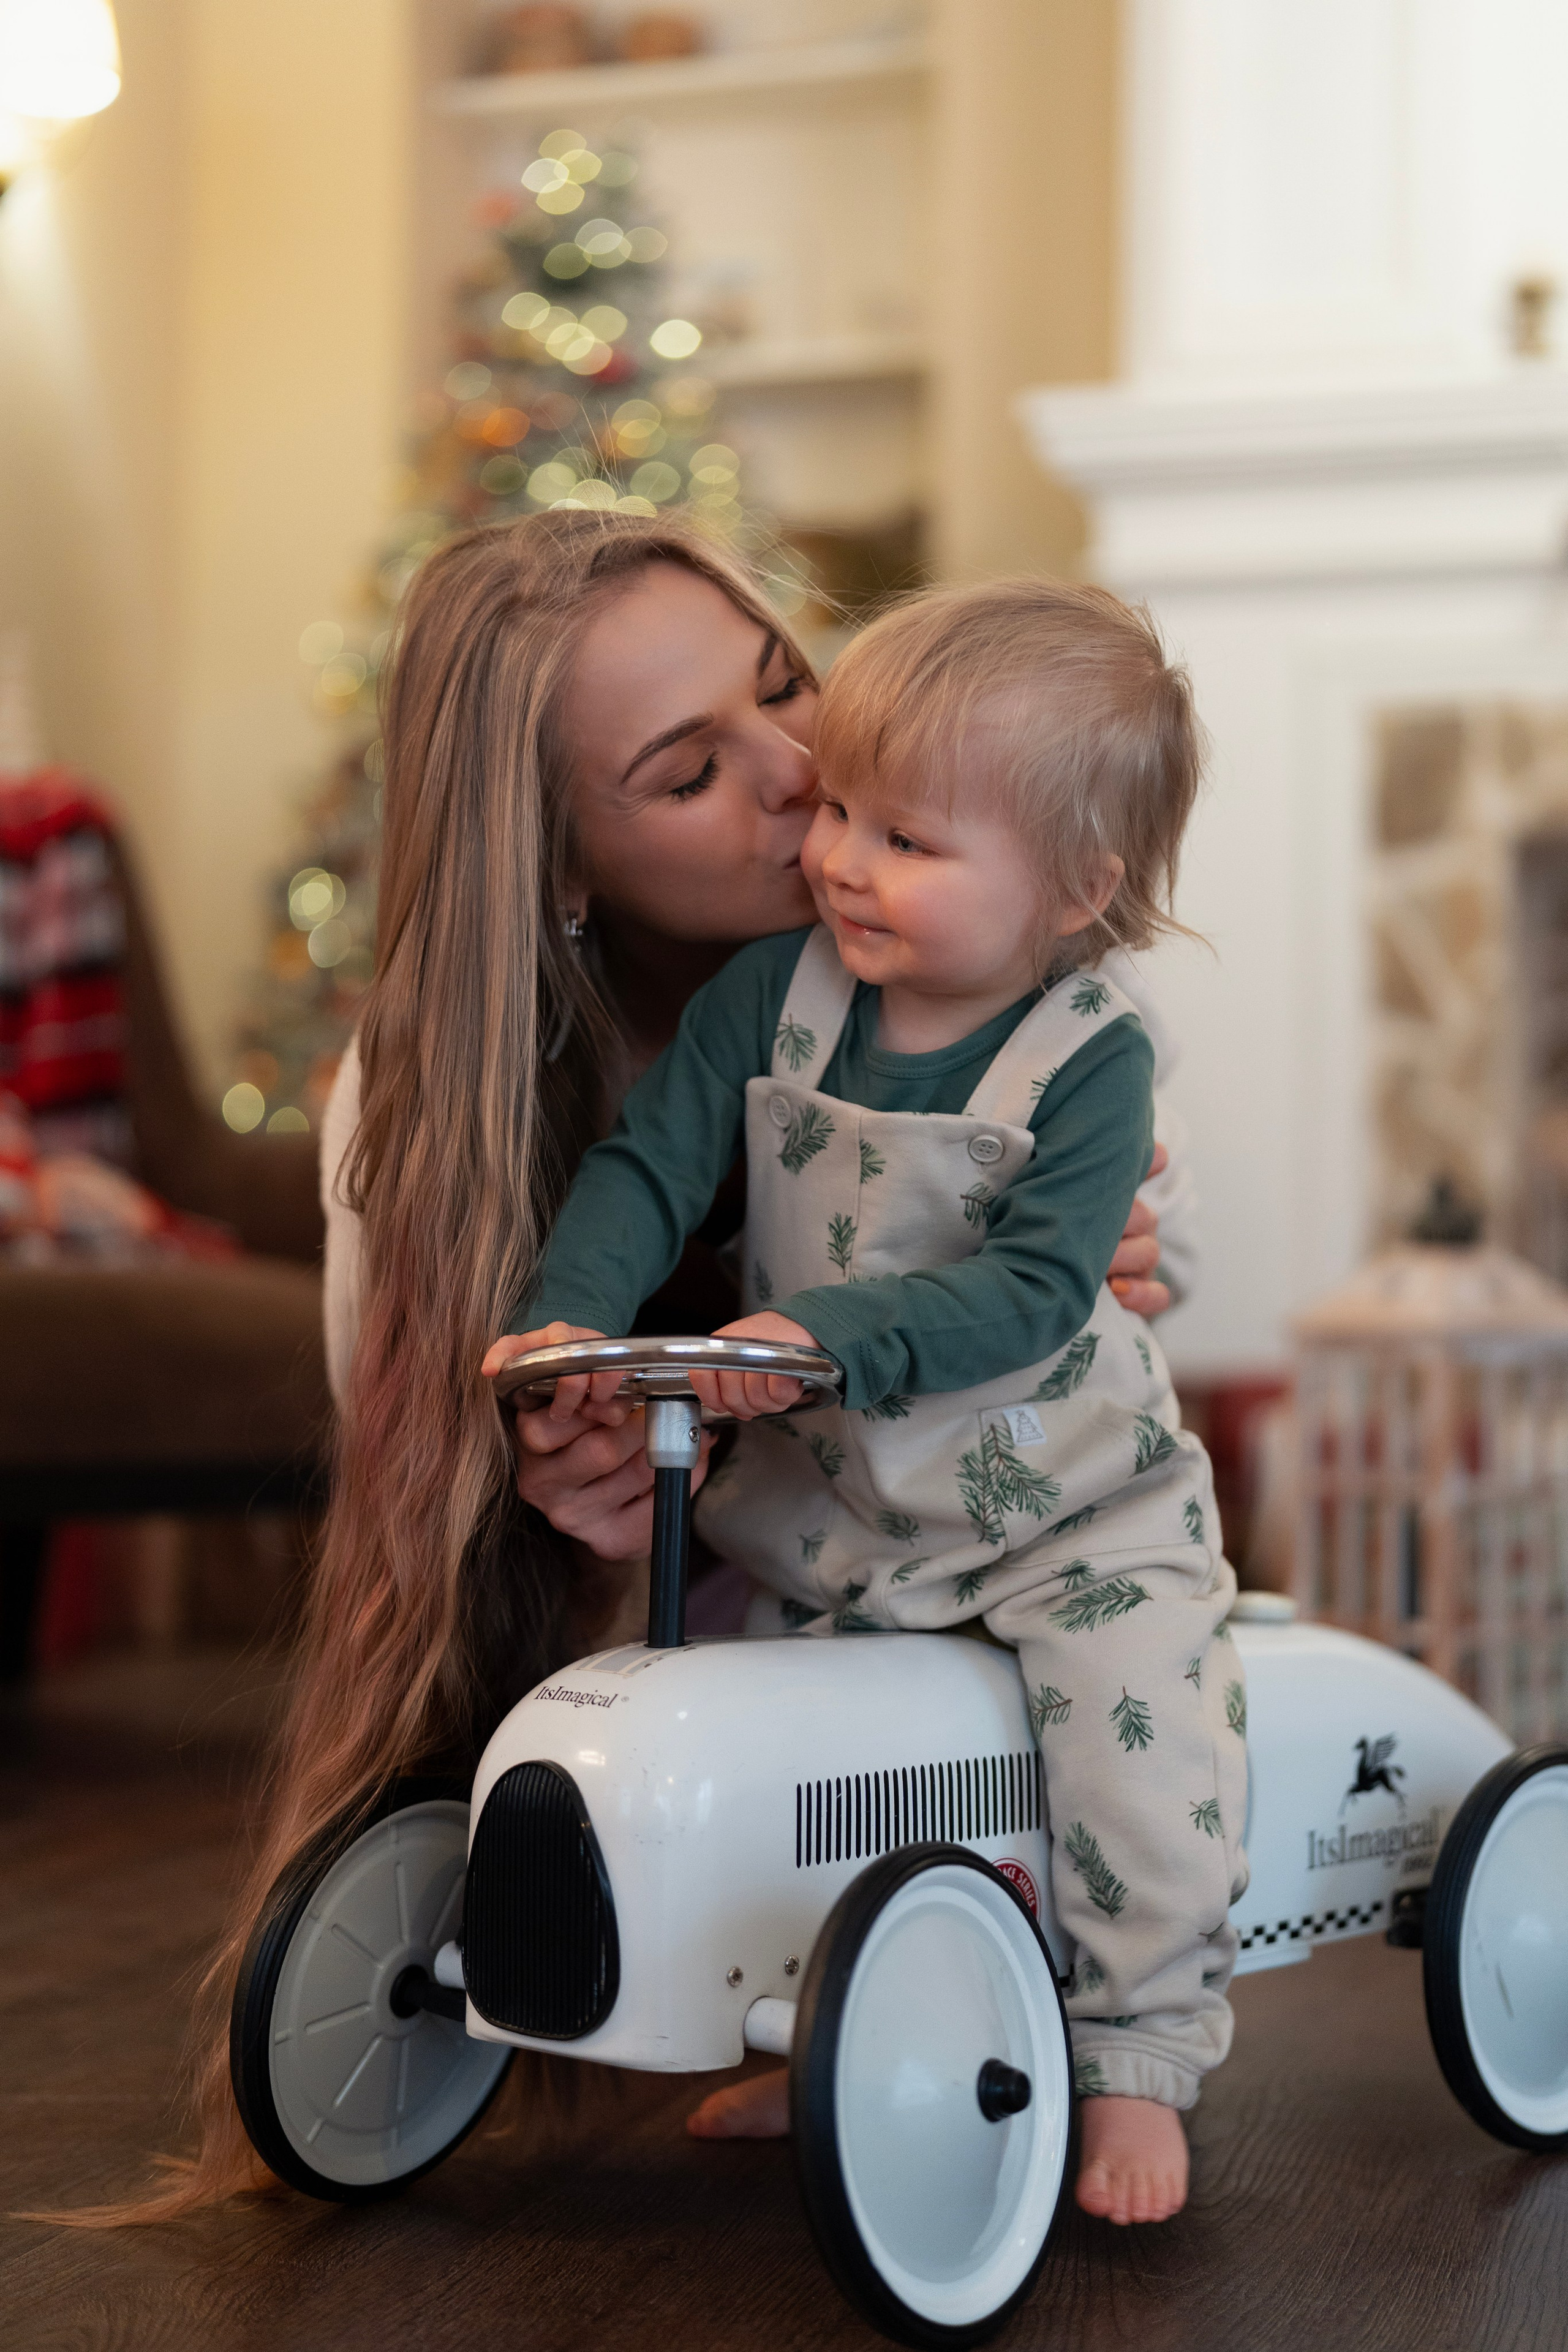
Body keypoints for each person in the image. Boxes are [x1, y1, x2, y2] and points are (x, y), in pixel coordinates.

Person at [88, 510, 1179, 2221]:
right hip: (753, 1536)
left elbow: (1060, 1286)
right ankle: (803, 1990)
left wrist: (1055, 1262)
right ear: (563, 867)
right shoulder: (446, 1103)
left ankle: (1138, 2044)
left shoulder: (989, 962)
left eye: (784, 686)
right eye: (690, 771)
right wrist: (542, 1446)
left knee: (1126, 1711)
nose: (806, 766)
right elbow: (449, 1489)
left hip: (1008, 1491)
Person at [488, 578, 1245, 2230]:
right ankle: (831, 2022)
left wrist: (817, 1333)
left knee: (1142, 1749)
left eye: (902, 837)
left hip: (1066, 1511)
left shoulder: (1092, 1055)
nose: (835, 857)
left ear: (1078, 888)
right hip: (841, 1505)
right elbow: (651, 1164)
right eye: (836, 806)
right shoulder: (779, 992)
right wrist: (567, 1322)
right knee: (797, 1772)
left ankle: (1137, 2049)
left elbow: (1043, 1292)